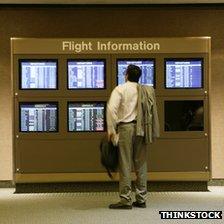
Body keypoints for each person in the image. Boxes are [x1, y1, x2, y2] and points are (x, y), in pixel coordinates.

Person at [106, 64, 160, 209]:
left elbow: (111, 110)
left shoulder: (120, 89)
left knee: (125, 164)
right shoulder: (145, 90)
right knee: (141, 164)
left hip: (125, 128)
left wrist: (111, 131)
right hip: (142, 128)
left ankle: (125, 200)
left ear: (126, 75)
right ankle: (141, 199)